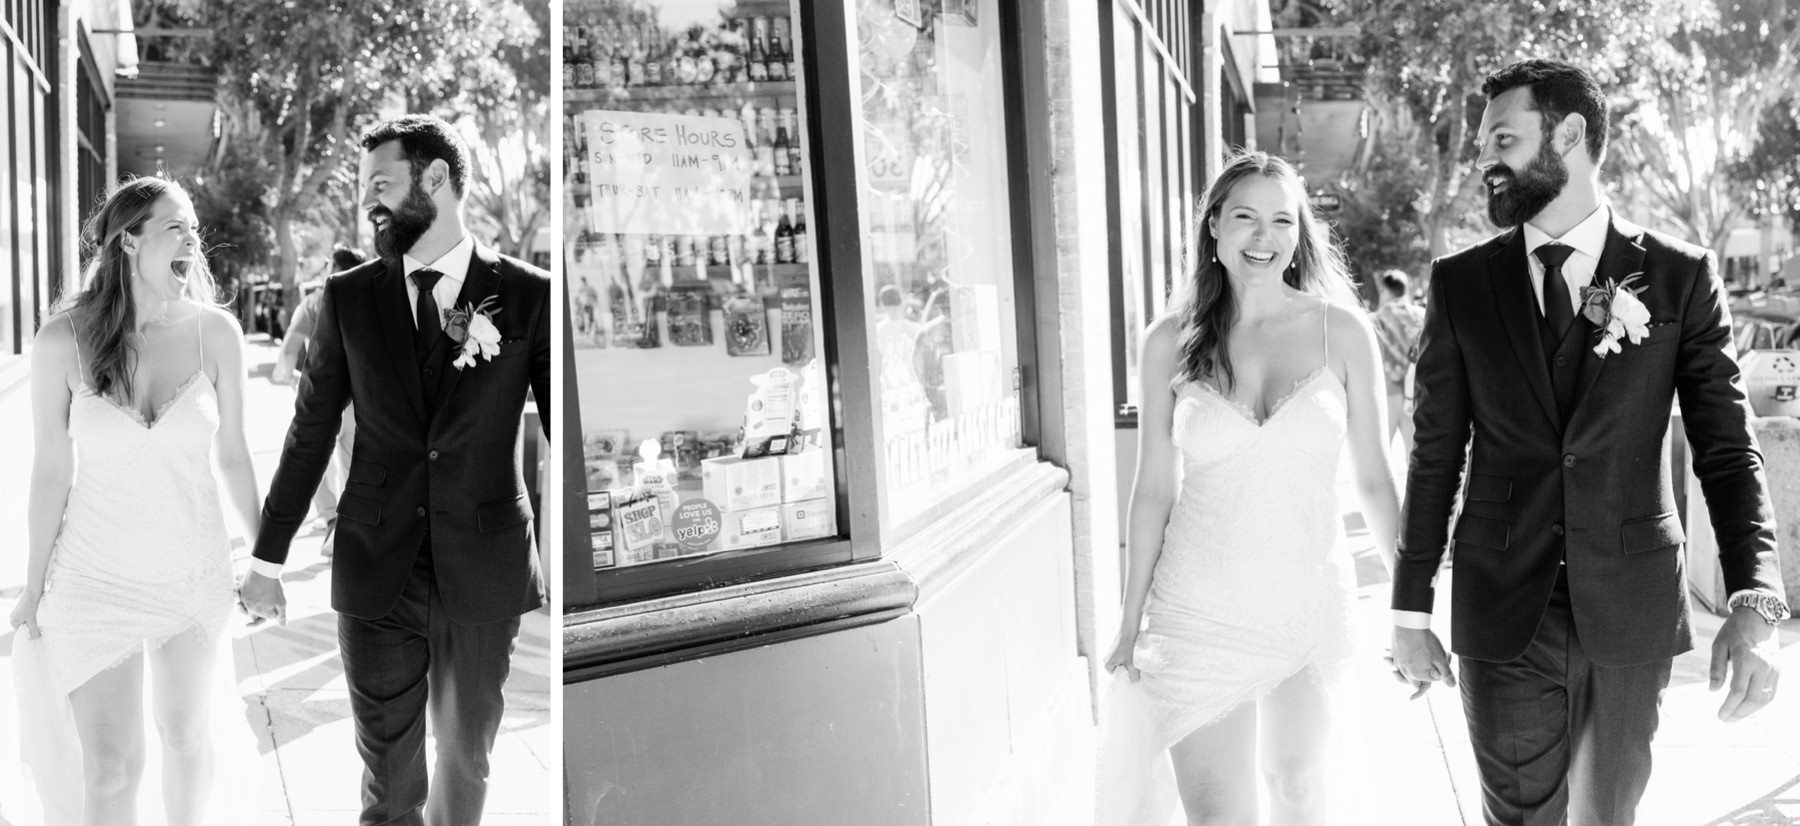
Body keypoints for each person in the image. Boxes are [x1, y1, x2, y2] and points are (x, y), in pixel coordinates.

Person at [1391, 59, 1786, 825]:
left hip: (1630, 603)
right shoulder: (1460, 284)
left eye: (1501, 138)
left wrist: (1755, 601)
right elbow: (1435, 453)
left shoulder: (1679, 277)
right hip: (1502, 603)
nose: (1483, 161)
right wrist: (1410, 614)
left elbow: (1728, 450)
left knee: (1608, 816)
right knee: (1521, 818)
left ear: (1568, 134)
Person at [237, 114, 551, 826]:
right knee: (388, 781)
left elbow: (563, 433)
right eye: (363, 188)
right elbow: (310, 433)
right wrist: (266, 559)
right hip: (377, 569)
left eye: (382, 183)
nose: (368, 202)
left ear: (434, 180)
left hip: (487, 567)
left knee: (467, 762)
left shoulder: (530, 294)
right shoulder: (347, 298)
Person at [1101, 150, 1401, 824]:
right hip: (1195, 607)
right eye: (1244, 217)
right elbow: (1153, 490)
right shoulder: (1167, 343)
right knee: (1216, 815)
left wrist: (1410, 610)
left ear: (1299, 234)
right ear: (1213, 227)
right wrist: (1128, 619)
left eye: (1280, 220)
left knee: (1297, 785)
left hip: (1305, 600)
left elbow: (1377, 481)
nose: (1263, 237)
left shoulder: (1341, 332)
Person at [10, 177, 262, 825]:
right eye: (177, 227)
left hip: (191, 573)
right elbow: (50, 472)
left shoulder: (218, 334)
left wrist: (265, 562)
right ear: (129, 240)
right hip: (93, 579)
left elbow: (234, 456)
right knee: (114, 766)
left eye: (195, 229)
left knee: (184, 735)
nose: (193, 240)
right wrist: (32, 584)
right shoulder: (60, 341)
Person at [273, 243, 370, 558]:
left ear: (331, 269)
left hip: (318, 395)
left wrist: (286, 375)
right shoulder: (371, 302)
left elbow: (290, 348)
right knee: (351, 460)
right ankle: (349, 526)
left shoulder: (314, 302)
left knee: (314, 457)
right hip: (359, 397)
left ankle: (331, 519)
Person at [1370, 268, 1425, 448]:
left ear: (1385, 290)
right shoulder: (1421, 315)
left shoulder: (1377, 320)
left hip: (1388, 392)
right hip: (1415, 393)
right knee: (1414, 457)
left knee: (1382, 453)